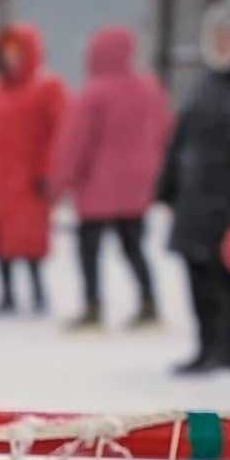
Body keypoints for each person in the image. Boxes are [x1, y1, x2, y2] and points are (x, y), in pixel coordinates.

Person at [158, 0, 230, 374]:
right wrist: (167, 188)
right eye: (218, 34)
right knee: (197, 275)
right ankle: (205, 347)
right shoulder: (203, 83)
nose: (224, 42)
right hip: (193, 196)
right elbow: (180, 140)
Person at [49, 26, 172, 332]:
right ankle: (149, 303)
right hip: (137, 187)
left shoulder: (93, 93)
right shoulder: (149, 89)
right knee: (133, 247)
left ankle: (92, 307)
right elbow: (164, 132)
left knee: (89, 250)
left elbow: (75, 143)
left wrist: (59, 182)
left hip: (97, 186)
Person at [0, 22, 67, 316]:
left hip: (28, 180)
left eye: (16, 53)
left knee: (29, 239)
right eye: (5, 53)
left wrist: (49, 172)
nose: (10, 59)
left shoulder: (48, 89)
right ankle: (6, 294)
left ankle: (38, 293)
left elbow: (60, 133)